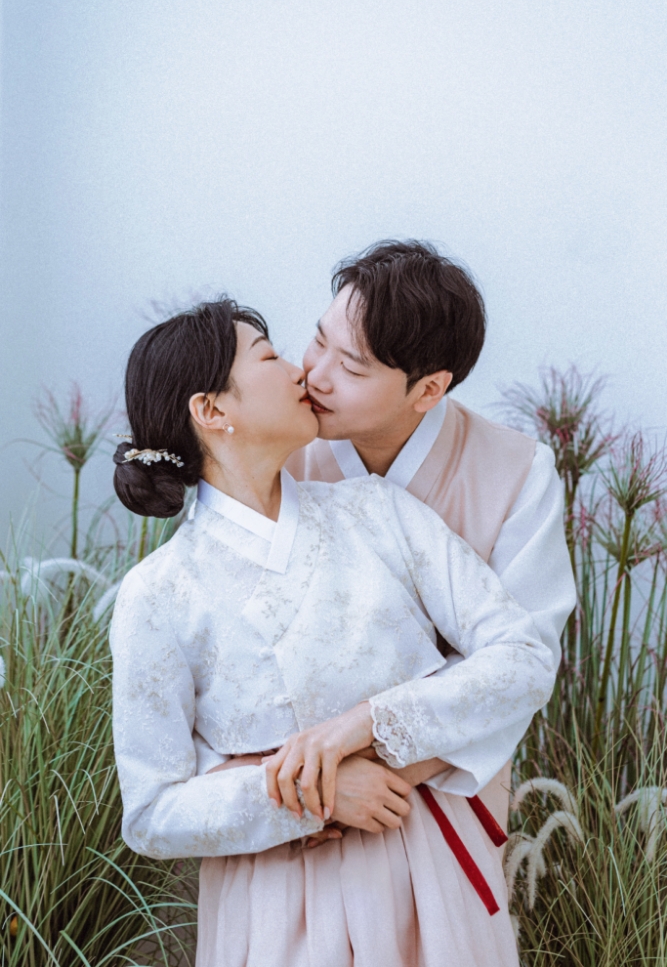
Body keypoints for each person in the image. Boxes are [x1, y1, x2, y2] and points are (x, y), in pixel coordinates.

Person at [111, 298, 557, 967]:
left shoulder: (377, 510)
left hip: (422, 870)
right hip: (270, 904)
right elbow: (151, 813)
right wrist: (314, 799)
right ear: (211, 410)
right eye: (268, 356)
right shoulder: (158, 592)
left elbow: (522, 658)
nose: (300, 370)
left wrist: (364, 727)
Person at [286, 239, 575, 832]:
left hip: (440, 797)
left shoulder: (518, 472)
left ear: (428, 390)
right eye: (318, 341)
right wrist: (314, 786)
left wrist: (375, 764)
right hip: (285, 790)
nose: (316, 375)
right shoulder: (276, 452)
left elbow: (526, 661)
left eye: (352, 367)